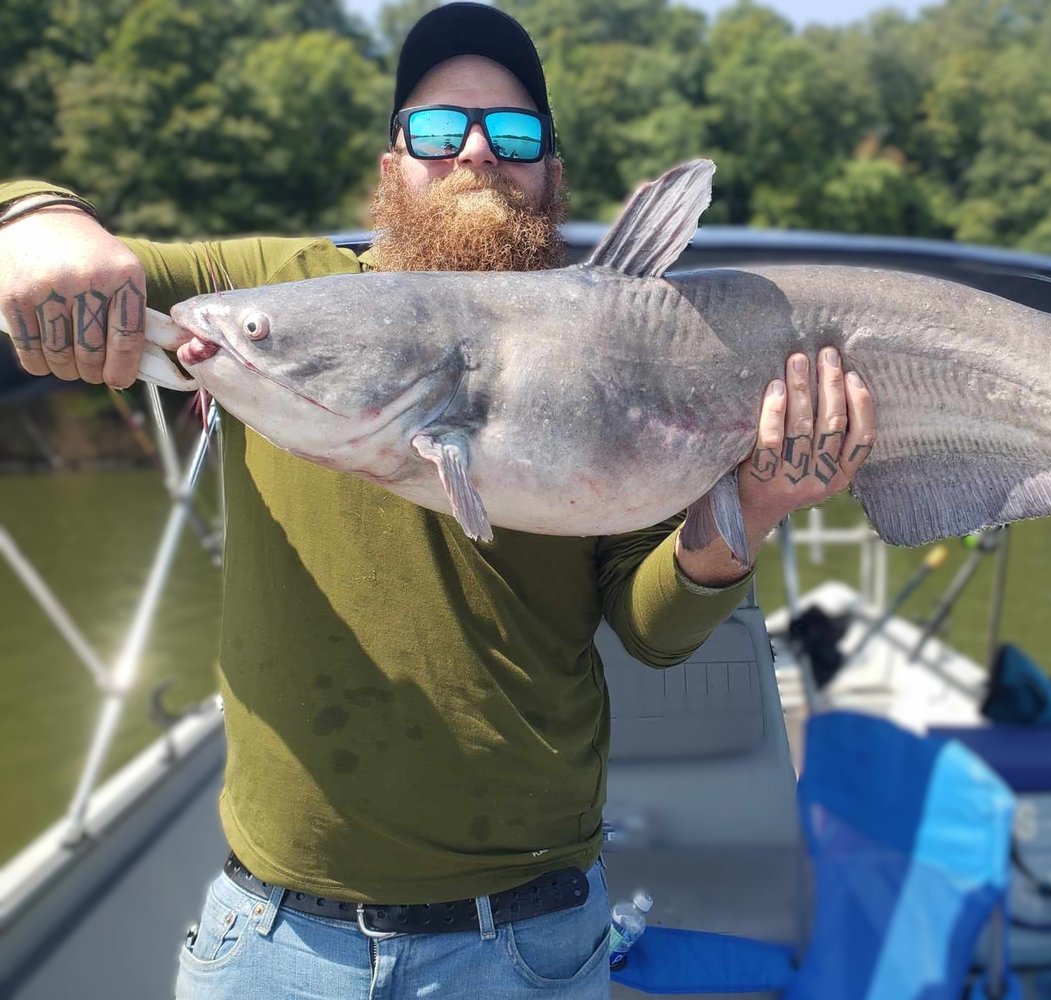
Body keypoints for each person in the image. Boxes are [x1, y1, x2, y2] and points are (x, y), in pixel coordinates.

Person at [0, 4, 875, 997]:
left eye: (510, 133)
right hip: (276, 934)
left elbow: (653, 628)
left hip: (529, 934)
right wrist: (35, 221)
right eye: (434, 130)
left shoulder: (617, 356)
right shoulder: (269, 298)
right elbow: (86, 261)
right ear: (391, 167)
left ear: (554, 172)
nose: (471, 153)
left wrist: (751, 508)